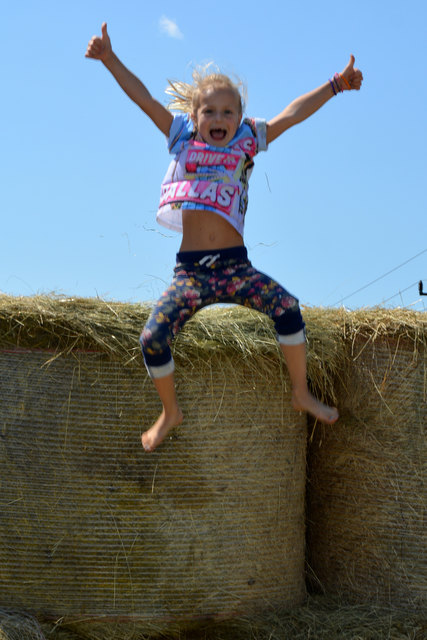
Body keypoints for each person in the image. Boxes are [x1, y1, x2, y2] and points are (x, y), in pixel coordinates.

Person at [86, 23, 363, 453]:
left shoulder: (248, 141)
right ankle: (169, 411)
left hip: (235, 267)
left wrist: (335, 86)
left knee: (288, 309)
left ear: (241, 117)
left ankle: (301, 392)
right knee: (151, 339)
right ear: (194, 118)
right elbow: (143, 98)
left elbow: (292, 113)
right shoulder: (181, 139)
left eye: (228, 112)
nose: (219, 119)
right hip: (191, 273)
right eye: (209, 112)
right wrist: (109, 59)